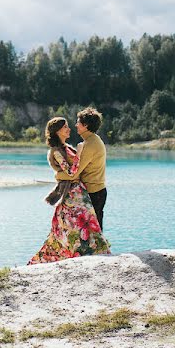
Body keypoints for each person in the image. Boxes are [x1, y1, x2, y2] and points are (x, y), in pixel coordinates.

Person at [28, 116, 110, 264]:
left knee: (85, 224)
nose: (69, 128)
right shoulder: (56, 151)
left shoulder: (66, 147)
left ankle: (95, 254)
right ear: (58, 131)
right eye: (65, 127)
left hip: (78, 191)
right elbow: (72, 172)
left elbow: (70, 172)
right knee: (76, 226)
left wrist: (61, 174)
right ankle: (76, 256)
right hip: (72, 193)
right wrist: (79, 153)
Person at [57, 107, 107, 231]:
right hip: (97, 191)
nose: (76, 125)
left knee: (94, 234)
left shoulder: (90, 145)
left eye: (78, 122)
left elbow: (74, 173)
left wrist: (58, 175)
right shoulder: (93, 140)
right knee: (94, 233)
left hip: (93, 193)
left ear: (85, 125)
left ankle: (101, 251)